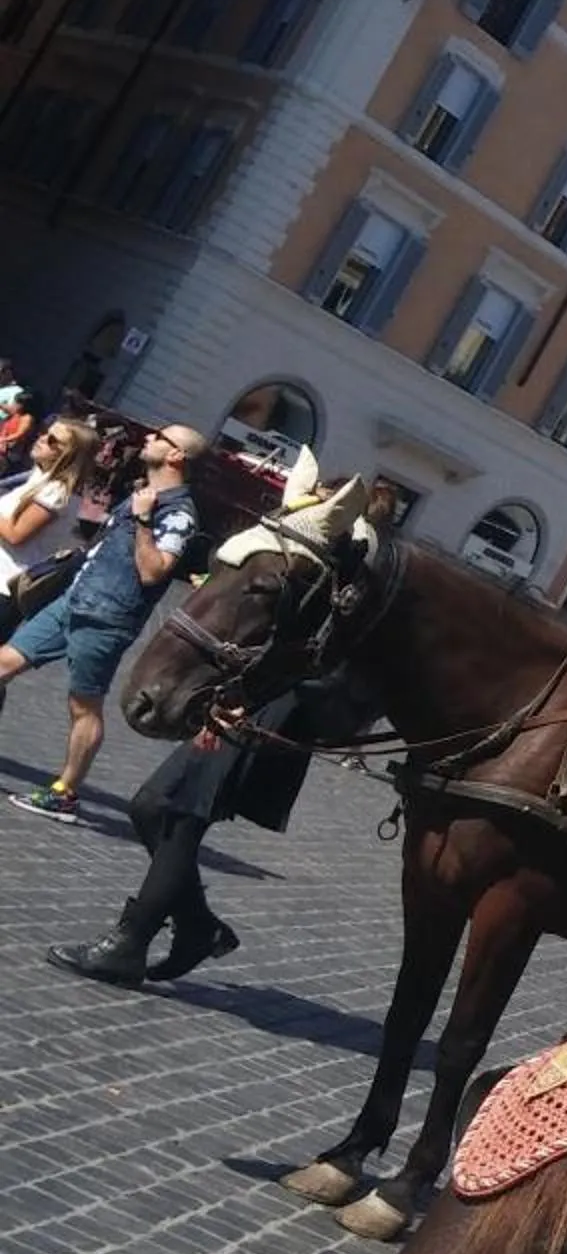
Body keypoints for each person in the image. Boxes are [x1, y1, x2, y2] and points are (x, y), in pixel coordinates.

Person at [46, 676, 361, 985]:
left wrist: (251, 693)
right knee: (155, 808)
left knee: (173, 808)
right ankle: (195, 927)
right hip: (261, 694)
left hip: (279, 704)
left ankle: (131, 944)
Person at [0, 421, 203, 821]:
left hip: (107, 617)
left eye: (159, 437)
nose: (149, 438)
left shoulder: (180, 513)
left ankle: (66, 792)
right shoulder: (142, 493)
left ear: (177, 455)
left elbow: (154, 572)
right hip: (73, 600)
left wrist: (144, 521)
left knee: (83, 705)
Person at [0, 414, 96, 654]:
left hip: (5, 584)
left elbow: (15, 534)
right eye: (45, 432)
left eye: (53, 441)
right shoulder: (40, 477)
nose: (42, 439)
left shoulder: (56, 492)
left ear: (70, 454)